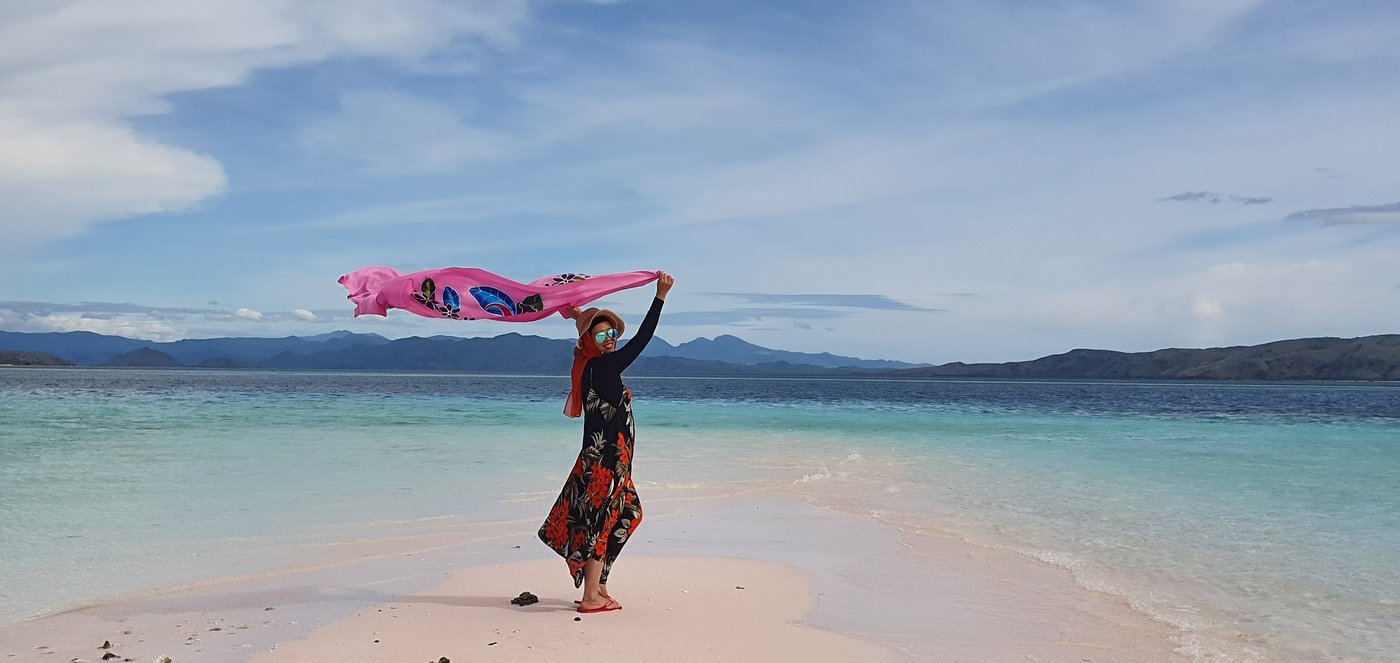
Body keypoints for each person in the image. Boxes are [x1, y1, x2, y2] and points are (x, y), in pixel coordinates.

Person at [538, 272, 675, 614]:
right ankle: (590, 598)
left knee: (630, 512)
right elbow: (643, 338)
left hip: (608, 461)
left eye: (612, 333)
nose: (610, 339)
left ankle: (598, 584)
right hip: (607, 464)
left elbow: (589, 330)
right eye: (601, 335)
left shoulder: (588, 366)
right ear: (589, 340)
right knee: (604, 521)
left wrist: (575, 313)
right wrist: (660, 296)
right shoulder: (604, 367)